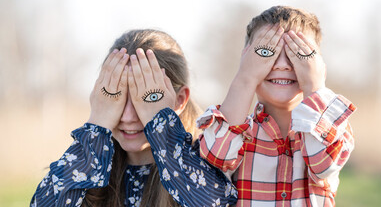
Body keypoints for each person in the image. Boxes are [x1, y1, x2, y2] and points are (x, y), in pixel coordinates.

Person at [30, 29, 238, 207]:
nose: (128, 116)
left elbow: (215, 201)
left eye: (147, 98)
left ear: (179, 100)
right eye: (116, 97)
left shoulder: (208, 159)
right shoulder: (90, 164)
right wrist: (98, 124)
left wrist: (162, 127)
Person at [197, 6, 356, 206]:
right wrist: (245, 78)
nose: (282, 65)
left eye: (297, 54)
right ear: (246, 61)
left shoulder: (332, 127)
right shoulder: (236, 133)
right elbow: (216, 157)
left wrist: (313, 84)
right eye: (266, 52)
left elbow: (323, 165)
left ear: (320, 68)